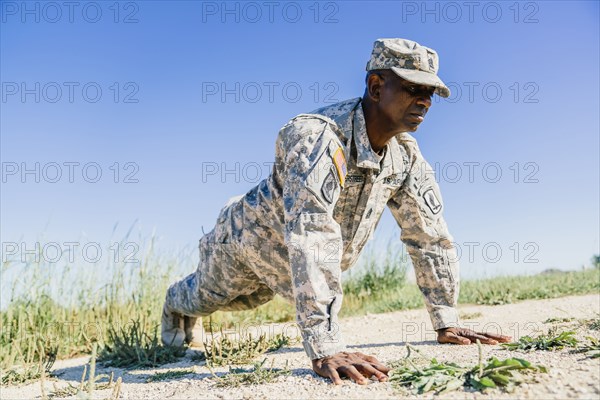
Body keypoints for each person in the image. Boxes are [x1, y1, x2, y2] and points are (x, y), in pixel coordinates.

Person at [162, 38, 511, 385]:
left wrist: (445, 320)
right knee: (205, 296)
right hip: (244, 243)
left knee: (251, 302)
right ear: (376, 87)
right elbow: (312, 231)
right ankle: (172, 307)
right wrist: (325, 346)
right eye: (411, 88)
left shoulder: (405, 156)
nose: (424, 100)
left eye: (430, 92)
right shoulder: (317, 137)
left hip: (293, 271)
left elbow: (429, 237)